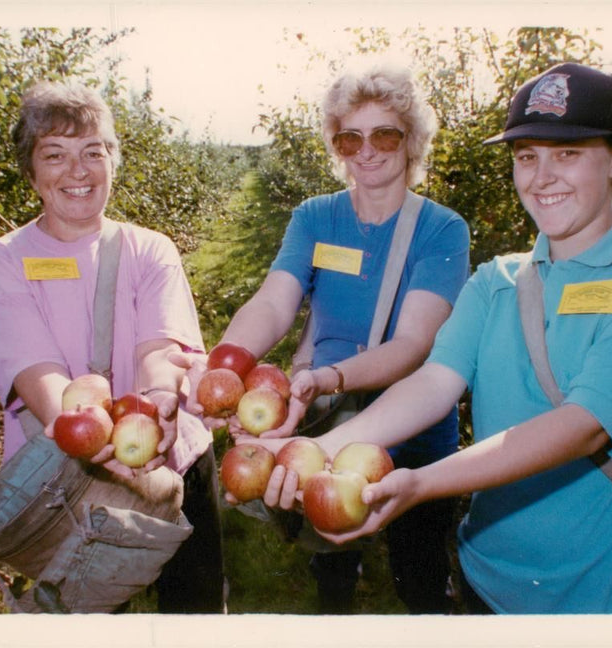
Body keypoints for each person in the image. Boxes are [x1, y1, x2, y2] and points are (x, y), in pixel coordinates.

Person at [260, 62, 612, 613]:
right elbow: (432, 382)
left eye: (567, 153)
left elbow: (583, 428)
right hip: (490, 585)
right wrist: (318, 448)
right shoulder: (498, 281)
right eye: (527, 156)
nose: (542, 176)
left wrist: (418, 484)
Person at [176, 62, 471, 614]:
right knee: (330, 558)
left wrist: (325, 376)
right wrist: (225, 366)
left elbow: (413, 344)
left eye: (384, 133)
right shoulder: (315, 218)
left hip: (413, 432)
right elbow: (272, 302)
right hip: (323, 416)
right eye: (349, 137)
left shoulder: (441, 229)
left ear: (412, 141)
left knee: (421, 566)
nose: (367, 150)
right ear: (336, 146)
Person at [0, 81, 225, 613]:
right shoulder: (2, 259)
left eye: (94, 151)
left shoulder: (150, 249)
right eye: (56, 155)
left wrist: (160, 400)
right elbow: (38, 375)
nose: (79, 171)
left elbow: (159, 348)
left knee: (194, 611)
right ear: (31, 170)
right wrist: (88, 424)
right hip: (70, 482)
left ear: (115, 160)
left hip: (171, 458)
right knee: (95, 622)